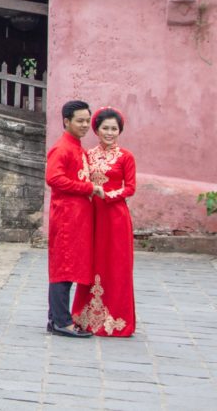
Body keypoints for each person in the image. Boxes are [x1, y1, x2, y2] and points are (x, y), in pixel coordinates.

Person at [71, 107, 137, 336]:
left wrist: (108, 195)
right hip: (92, 215)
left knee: (116, 265)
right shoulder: (87, 155)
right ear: (96, 130)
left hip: (116, 217)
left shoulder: (126, 157)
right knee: (91, 262)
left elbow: (130, 188)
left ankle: (116, 319)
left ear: (120, 131)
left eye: (114, 129)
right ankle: (86, 316)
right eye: (105, 128)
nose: (110, 133)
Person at [46, 99, 104, 338]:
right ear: (66, 121)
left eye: (87, 120)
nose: (84, 125)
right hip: (67, 217)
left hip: (76, 217)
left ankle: (57, 319)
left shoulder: (76, 148)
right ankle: (61, 322)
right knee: (64, 268)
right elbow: (54, 179)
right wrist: (87, 188)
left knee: (69, 266)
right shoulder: (62, 148)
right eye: (79, 121)